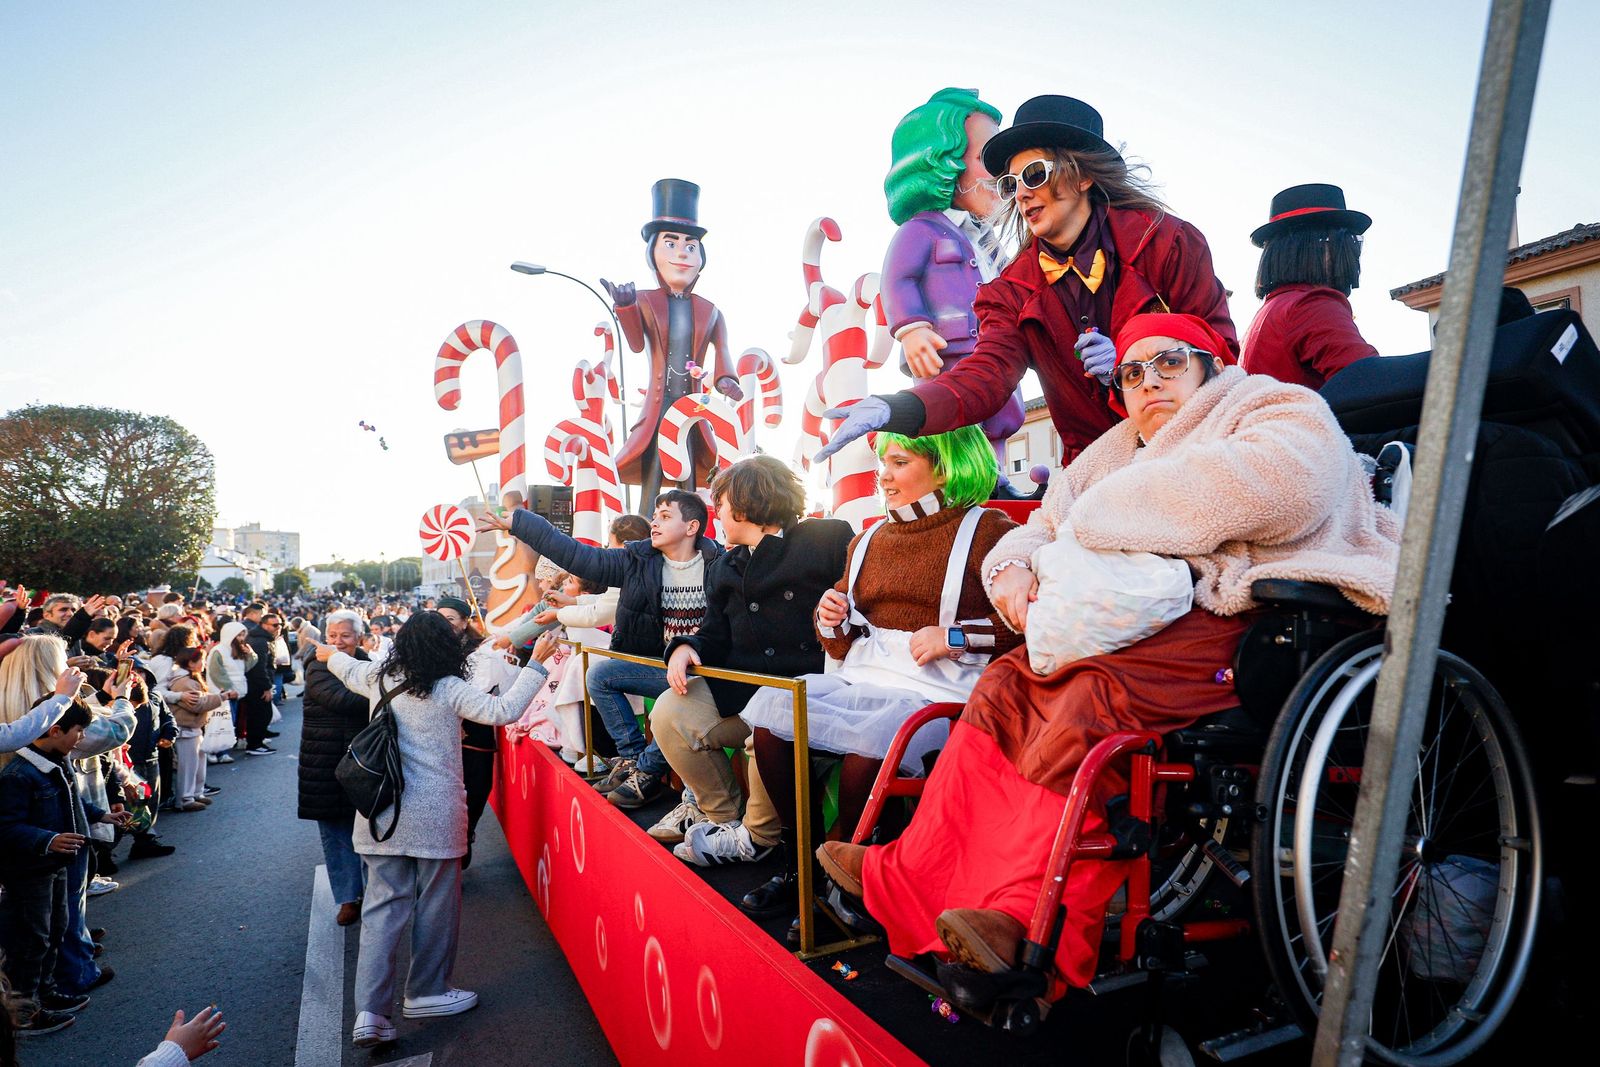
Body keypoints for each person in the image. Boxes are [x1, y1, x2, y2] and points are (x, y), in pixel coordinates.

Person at [815, 312, 1400, 1005]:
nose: (1148, 381)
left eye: (1168, 363)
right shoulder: (1119, 444)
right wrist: (1012, 575)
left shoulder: (1273, 406)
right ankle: (910, 874)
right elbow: (1039, 527)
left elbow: (1285, 487)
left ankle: (1025, 921)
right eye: (1132, 372)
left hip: (1244, 615)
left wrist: (1095, 522)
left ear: (1211, 364)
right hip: (1130, 619)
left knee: (1088, 697)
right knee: (1004, 683)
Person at [819, 94, 1237, 469]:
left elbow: (1221, 349)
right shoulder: (1010, 290)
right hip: (1095, 476)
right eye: (1011, 182)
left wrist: (1134, 359)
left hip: (1192, 455)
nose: (1020, 194)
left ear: (1082, 174)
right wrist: (899, 409)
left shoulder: (1168, 243)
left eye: (1034, 174)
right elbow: (986, 377)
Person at [740, 426, 1019, 940]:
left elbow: (1026, 626)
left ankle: (848, 881)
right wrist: (831, 617)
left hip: (940, 691)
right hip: (865, 679)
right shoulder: (868, 537)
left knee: (869, 752)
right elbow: (842, 644)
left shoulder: (991, 532)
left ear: (946, 465)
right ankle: (801, 864)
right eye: (881, 463)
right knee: (774, 721)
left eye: (899, 462)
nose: (883, 476)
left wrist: (956, 635)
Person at [307, 614, 559, 1050]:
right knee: (437, 904)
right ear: (445, 648)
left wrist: (327, 652)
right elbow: (502, 711)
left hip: (379, 812)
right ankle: (426, 992)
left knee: (382, 911)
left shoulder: (374, 676)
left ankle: (370, 1013)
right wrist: (537, 663)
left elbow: (341, 665)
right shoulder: (448, 688)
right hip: (435, 814)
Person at [653, 456, 853, 870]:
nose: (718, 514)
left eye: (721, 503)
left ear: (743, 501)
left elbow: (855, 602)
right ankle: (724, 818)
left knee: (769, 722)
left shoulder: (827, 537)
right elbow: (714, 631)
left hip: (809, 699)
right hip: (745, 695)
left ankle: (760, 838)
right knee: (669, 712)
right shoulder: (726, 565)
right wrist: (686, 647)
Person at [485, 489, 723, 809]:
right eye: (654, 516)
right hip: (660, 665)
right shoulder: (636, 559)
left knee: (675, 705)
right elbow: (579, 556)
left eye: (665, 517)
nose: (654, 522)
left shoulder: (720, 563)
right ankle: (634, 761)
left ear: (692, 527)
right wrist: (522, 523)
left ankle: (648, 773)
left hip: (707, 671)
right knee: (600, 674)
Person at [881, 87, 1027, 490]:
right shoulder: (921, 231)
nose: (1000, 175)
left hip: (994, 354)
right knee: (952, 422)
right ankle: (953, 485)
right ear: (942, 161)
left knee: (1000, 414)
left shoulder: (987, 241)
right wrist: (911, 329)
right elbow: (897, 280)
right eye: (986, 159)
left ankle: (996, 478)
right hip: (948, 353)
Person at [601, 178, 743, 503]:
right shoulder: (644, 300)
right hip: (659, 406)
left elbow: (723, 352)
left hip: (692, 407)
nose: (681, 253)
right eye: (670, 243)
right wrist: (624, 306)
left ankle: (691, 522)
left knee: (689, 470)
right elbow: (637, 344)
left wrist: (726, 380)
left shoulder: (710, 311)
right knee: (653, 465)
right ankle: (646, 524)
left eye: (690, 246)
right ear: (653, 252)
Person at [0, 695, 131, 1036]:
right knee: (30, 942)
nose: (82, 739)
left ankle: (45, 993)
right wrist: (47, 839)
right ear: (55, 730)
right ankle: (23, 1013)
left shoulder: (58, 760)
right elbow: (7, 826)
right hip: (29, 874)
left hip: (56, 867)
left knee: (56, 929)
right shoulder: (18, 774)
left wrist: (102, 814)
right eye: (78, 731)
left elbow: (74, 800)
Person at [1241, 183, 1377, 389]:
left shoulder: (1272, 309)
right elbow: (1369, 381)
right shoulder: (1312, 306)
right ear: (1322, 245)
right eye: (1346, 240)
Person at [433, 597, 520, 869]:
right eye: (440, 618)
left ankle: (466, 834)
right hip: (443, 732)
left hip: (476, 731)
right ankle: (448, 845)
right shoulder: (430, 648)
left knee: (478, 788)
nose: (445, 625)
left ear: (465, 621)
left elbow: (490, 688)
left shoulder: (480, 650)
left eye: (451, 619)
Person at [298, 610, 371, 926]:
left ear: (359, 638)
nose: (338, 642)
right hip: (324, 759)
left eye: (345, 635)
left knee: (371, 830)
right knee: (335, 832)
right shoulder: (317, 664)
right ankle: (348, 898)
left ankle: (373, 894)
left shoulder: (369, 663)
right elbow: (342, 699)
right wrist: (384, 693)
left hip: (365, 759)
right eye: (332, 636)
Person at [167, 647, 221, 813]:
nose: (203, 663)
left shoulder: (190, 679)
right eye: (201, 660)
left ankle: (196, 793)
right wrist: (222, 697)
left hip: (194, 727)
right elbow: (197, 704)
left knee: (198, 762)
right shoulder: (184, 681)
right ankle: (185, 799)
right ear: (190, 663)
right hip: (185, 728)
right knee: (188, 765)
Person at [205, 623, 253, 766]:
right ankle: (213, 751)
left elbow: (246, 667)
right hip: (223, 694)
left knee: (228, 723)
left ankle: (223, 752)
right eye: (238, 634)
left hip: (236, 693)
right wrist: (227, 689)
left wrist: (251, 654)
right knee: (218, 723)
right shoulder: (218, 650)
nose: (241, 638)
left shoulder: (238, 651)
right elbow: (216, 672)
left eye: (243, 634)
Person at [239, 604, 277, 756]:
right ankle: (255, 745)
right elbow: (259, 667)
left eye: (279, 624)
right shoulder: (260, 641)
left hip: (257, 683)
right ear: (264, 625)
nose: (277, 627)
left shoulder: (261, 639)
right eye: (274, 625)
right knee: (260, 715)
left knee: (262, 714)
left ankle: (257, 742)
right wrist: (266, 687)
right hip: (257, 685)